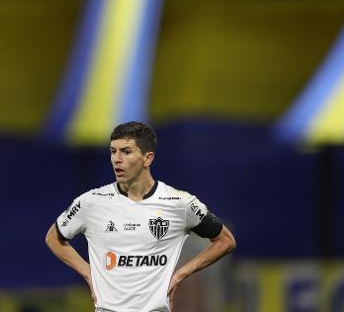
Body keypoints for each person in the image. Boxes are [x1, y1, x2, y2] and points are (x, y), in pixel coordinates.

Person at [45, 121, 236, 312]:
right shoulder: (91, 202)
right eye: (113, 151)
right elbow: (53, 237)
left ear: (147, 158)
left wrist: (182, 273)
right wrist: (88, 272)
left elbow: (225, 241)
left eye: (126, 152)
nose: (116, 159)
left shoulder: (180, 203)